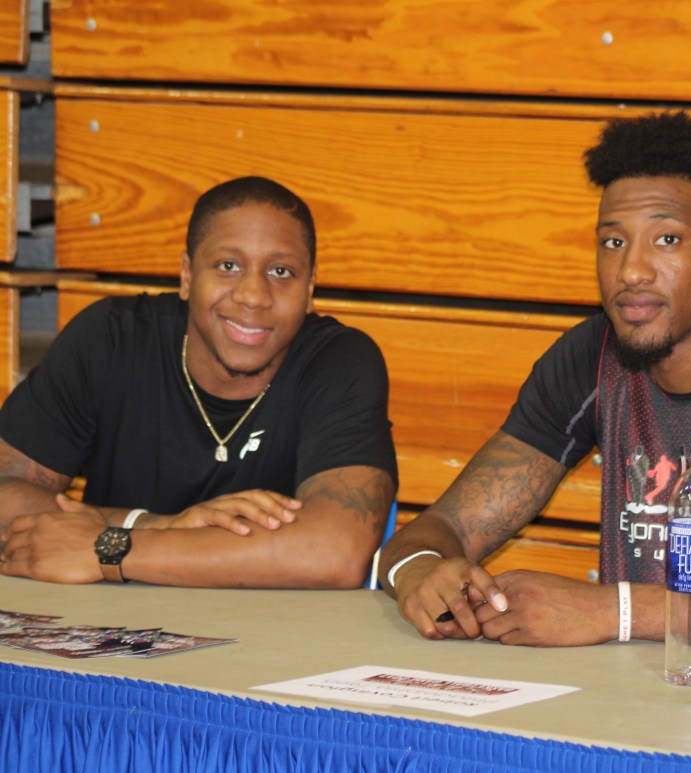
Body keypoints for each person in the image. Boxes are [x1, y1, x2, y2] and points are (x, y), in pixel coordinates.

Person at [379, 111, 691, 646]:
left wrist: (621, 611)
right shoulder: (593, 355)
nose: (631, 271)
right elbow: (443, 528)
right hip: (644, 691)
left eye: (667, 239)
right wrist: (420, 571)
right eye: (613, 242)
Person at [0, 176, 397, 588]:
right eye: (228, 266)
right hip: (108, 619)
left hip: (271, 625)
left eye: (281, 271)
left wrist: (110, 548)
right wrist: (153, 525)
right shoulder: (112, 339)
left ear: (310, 288)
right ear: (187, 275)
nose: (253, 295)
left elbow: (334, 553)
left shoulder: (338, 362)